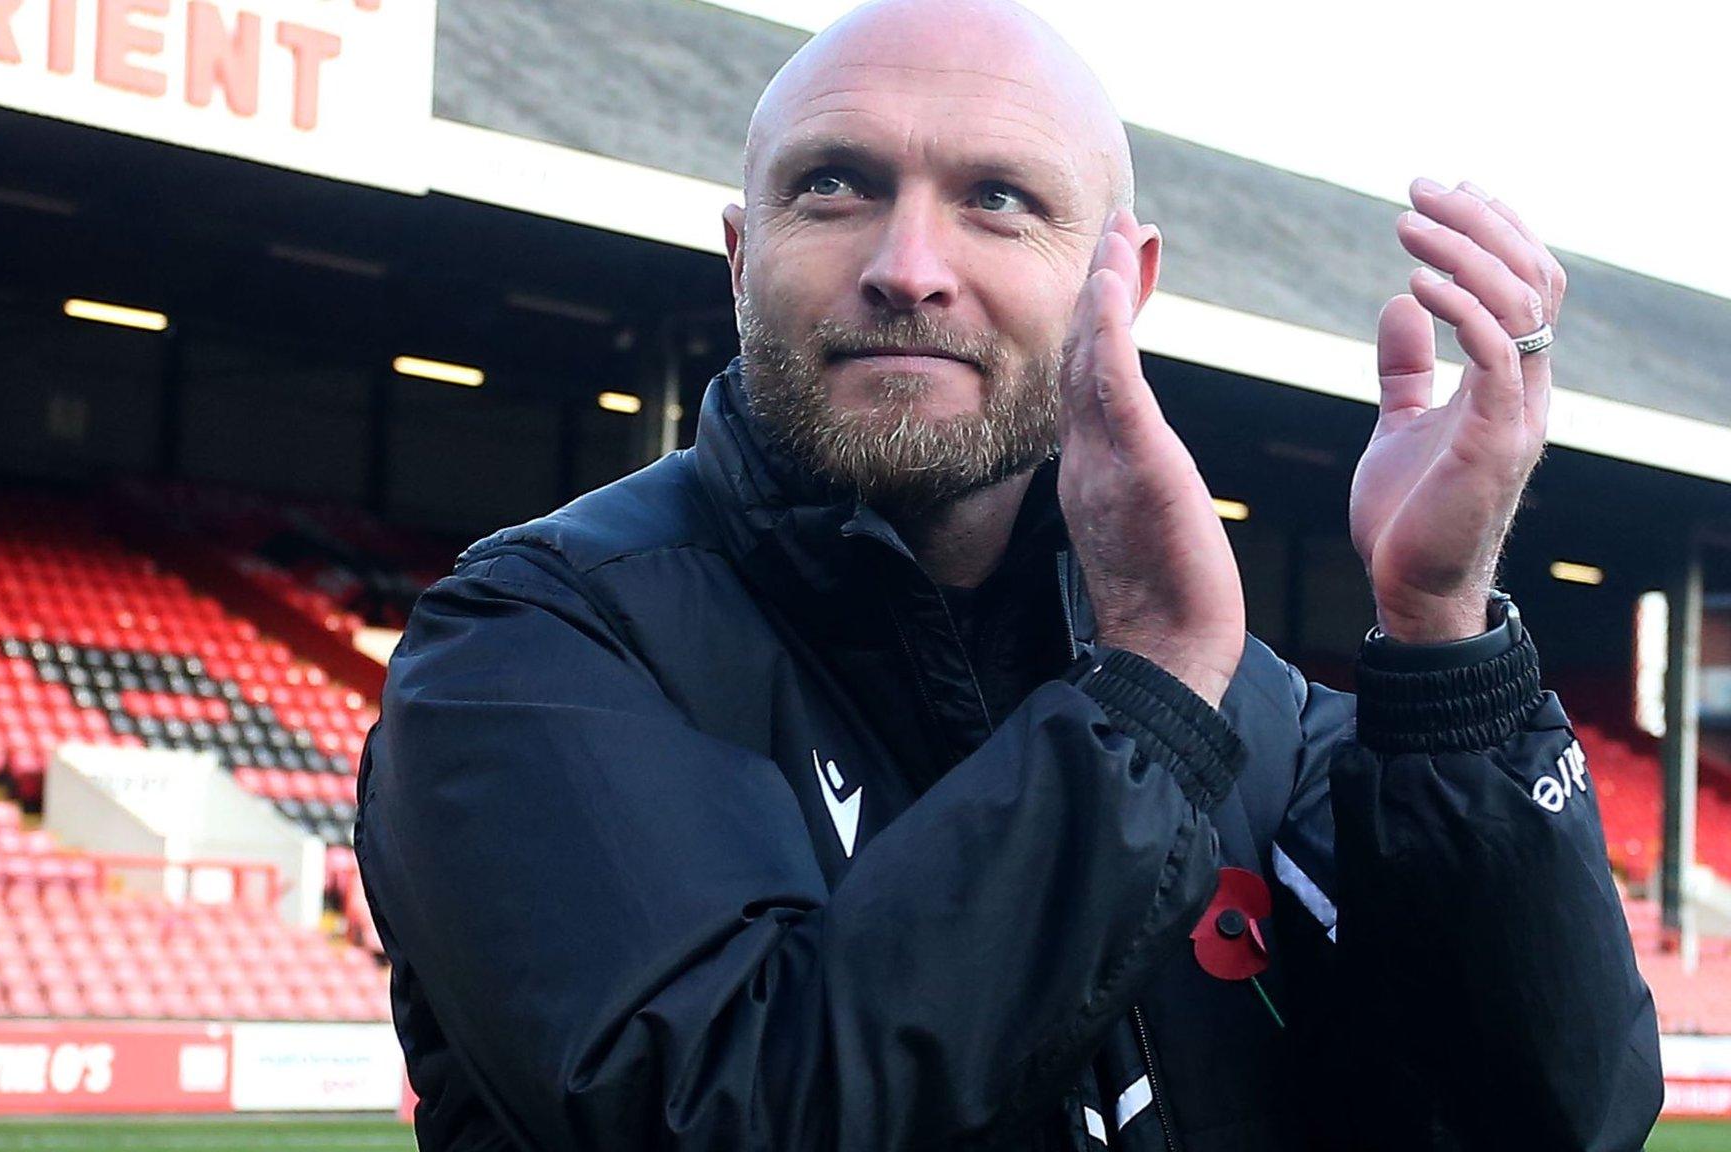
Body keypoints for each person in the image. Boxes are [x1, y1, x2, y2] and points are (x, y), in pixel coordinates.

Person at [354, 1, 1663, 1147]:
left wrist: (1443, 648)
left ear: (1123, 283)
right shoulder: (533, 646)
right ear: (742, 258)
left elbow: (1549, 1116)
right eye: (833, 186)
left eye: (997, 199)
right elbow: (722, 1110)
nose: (908, 268)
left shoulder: (1254, 716)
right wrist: (1147, 705)